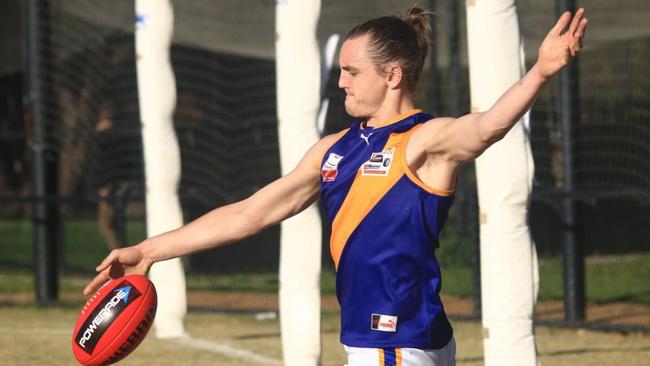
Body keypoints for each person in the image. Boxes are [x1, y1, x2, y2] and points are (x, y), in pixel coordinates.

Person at [84, 7, 588, 366]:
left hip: (396, 344)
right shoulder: (334, 149)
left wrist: (540, 72)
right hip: (380, 343)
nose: (341, 82)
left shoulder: (424, 141)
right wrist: (149, 250)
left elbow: (485, 128)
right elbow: (249, 214)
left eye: (351, 71)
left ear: (392, 75)